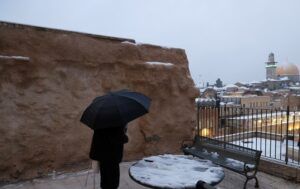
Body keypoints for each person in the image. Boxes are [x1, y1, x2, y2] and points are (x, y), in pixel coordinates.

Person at [89, 124, 128, 189]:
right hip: (113, 158)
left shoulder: (100, 124)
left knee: (104, 178)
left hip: (103, 156)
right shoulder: (118, 124)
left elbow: (96, 139)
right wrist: (124, 131)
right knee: (113, 180)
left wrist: (94, 155)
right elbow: (124, 139)